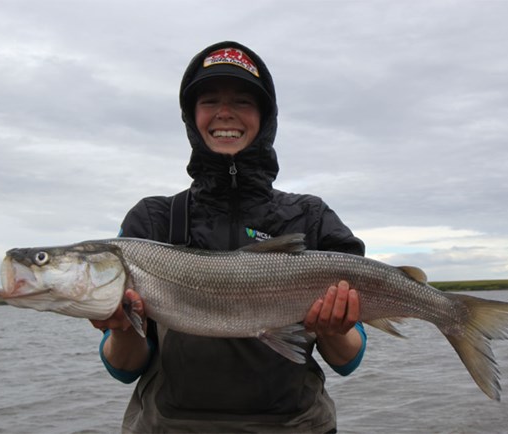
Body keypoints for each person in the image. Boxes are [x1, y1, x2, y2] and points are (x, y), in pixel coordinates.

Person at [91, 41, 367, 433]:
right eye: (209, 101)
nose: (224, 113)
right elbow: (124, 368)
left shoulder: (310, 216)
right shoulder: (152, 220)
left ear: (265, 116)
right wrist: (120, 327)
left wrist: (335, 329)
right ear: (191, 117)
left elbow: (347, 359)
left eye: (241, 101)